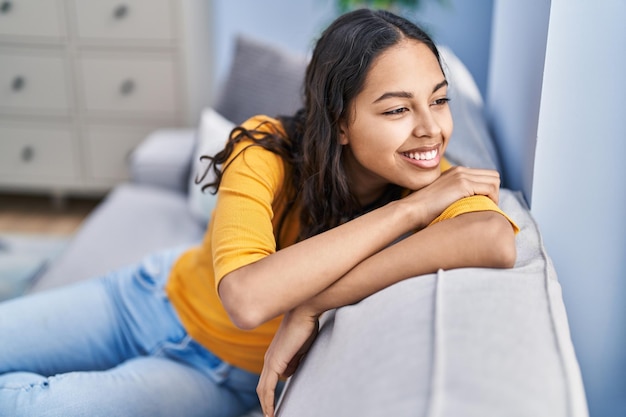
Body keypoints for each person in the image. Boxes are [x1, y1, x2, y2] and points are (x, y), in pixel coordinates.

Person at [0, 8, 518, 417]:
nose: (430, 129)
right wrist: (409, 214)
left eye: (440, 100)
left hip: (217, 376)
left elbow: (494, 239)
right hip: (148, 298)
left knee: (35, 406)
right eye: (397, 109)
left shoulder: (433, 177)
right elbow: (245, 294)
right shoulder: (266, 147)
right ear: (340, 121)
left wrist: (312, 304)